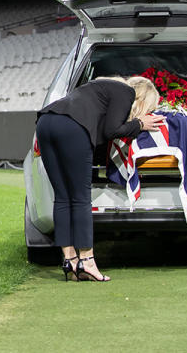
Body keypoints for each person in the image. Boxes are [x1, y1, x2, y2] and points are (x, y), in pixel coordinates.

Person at [36, 76, 165, 282]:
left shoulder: (101, 88)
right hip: (72, 127)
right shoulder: (126, 92)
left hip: (45, 122)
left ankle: (70, 261)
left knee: (62, 196)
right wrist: (140, 123)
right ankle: (88, 261)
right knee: (80, 198)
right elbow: (111, 131)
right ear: (142, 97)